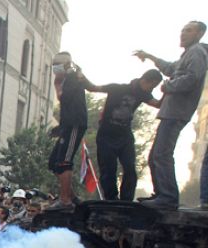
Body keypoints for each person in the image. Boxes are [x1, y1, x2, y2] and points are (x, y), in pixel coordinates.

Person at [134, 21, 208, 209]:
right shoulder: (188, 53)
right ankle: (162, 194)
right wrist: (150, 57)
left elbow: (192, 78)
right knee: (155, 155)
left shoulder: (197, 52)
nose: (183, 33)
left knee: (162, 153)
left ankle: (167, 197)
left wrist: (169, 86)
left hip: (177, 112)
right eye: (183, 30)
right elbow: (170, 68)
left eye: (188, 30)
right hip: (171, 112)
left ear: (199, 33)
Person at [84, 70, 163, 201]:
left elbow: (158, 104)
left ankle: (127, 199)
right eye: (152, 86)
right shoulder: (117, 88)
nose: (151, 89)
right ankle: (111, 198)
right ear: (145, 80)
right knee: (108, 169)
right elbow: (92, 88)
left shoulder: (143, 94)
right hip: (106, 135)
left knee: (130, 168)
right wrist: (81, 76)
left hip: (125, 137)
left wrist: (168, 89)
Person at [47, 52, 88, 210]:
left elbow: (63, 98)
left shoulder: (72, 79)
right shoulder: (68, 79)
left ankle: (65, 200)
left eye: (57, 64)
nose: (54, 68)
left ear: (66, 65)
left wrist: (57, 86)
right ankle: (71, 196)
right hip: (67, 125)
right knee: (53, 163)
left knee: (64, 161)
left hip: (74, 124)